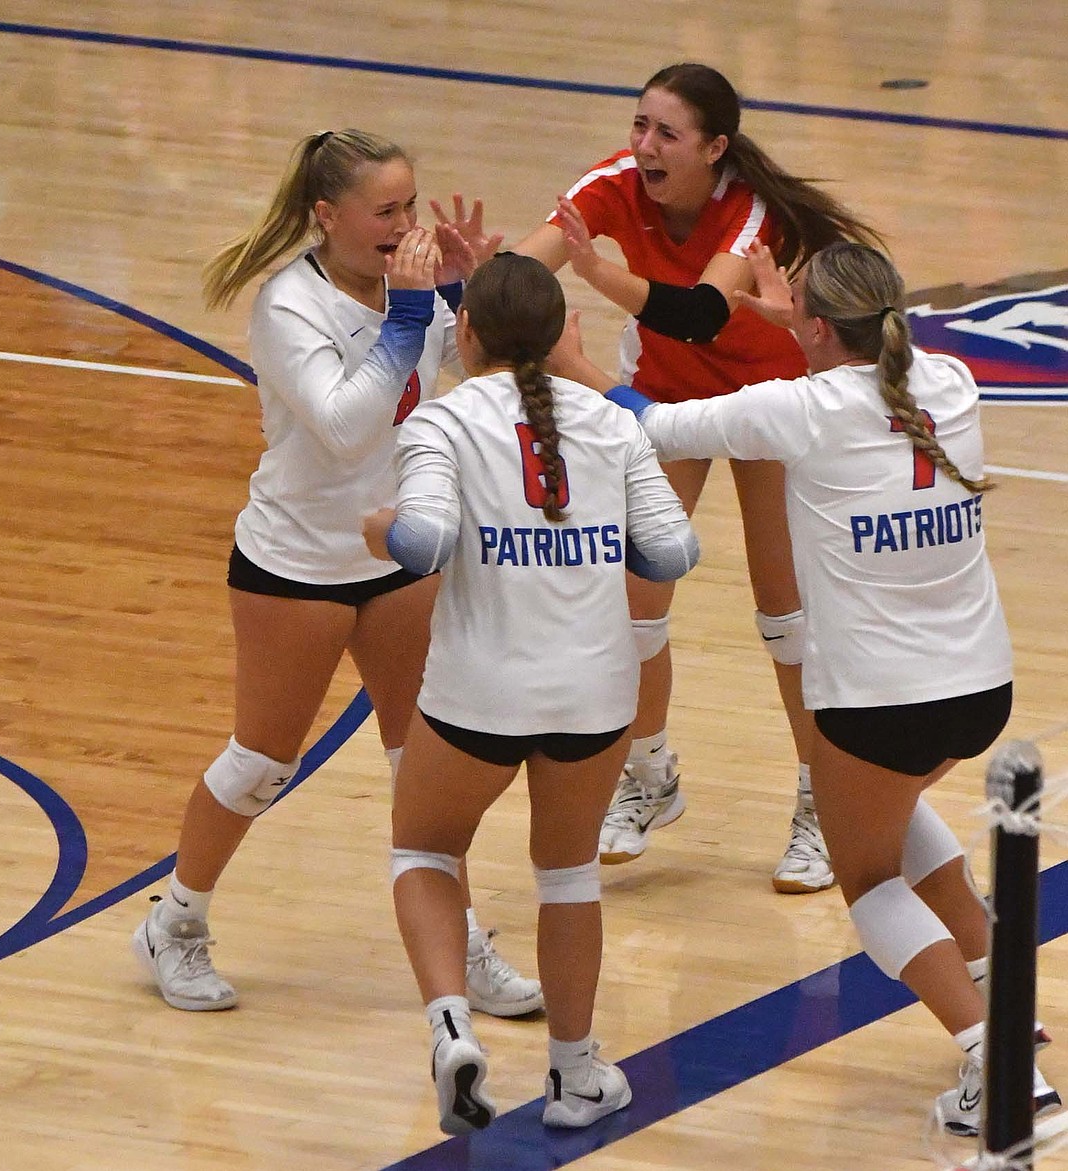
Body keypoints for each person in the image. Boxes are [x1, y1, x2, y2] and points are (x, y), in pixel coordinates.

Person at [555, 237, 1061, 1133]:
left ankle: (1002, 1063)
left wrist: (573, 364)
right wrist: (812, 329)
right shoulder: (946, 380)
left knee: (867, 880)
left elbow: (648, 422)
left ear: (817, 328)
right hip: (981, 686)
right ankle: (1002, 991)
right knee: (891, 812)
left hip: (880, 699)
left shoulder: (795, 409)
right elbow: (862, 372)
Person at [130, 129, 542, 1020]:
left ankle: (460, 943)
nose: (405, 223)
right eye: (386, 209)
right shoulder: (290, 306)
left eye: (410, 204)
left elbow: (479, 382)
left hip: (395, 554)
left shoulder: (416, 290)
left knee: (425, 764)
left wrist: (470, 294)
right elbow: (346, 427)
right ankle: (175, 921)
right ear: (329, 215)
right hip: (295, 564)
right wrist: (412, 309)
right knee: (263, 762)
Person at [510, 62, 883, 892]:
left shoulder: (746, 211)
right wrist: (477, 281)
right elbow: (531, 269)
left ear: (715, 148)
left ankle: (820, 801)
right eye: (639, 124)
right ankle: (648, 775)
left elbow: (701, 312)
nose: (643, 144)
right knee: (631, 603)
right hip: (670, 397)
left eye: (665, 133)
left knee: (784, 614)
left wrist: (597, 276)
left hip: (770, 402)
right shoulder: (614, 180)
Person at [361, 252, 699, 1134]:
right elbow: (673, 554)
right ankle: (575, 1076)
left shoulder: (443, 420)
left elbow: (425, 541)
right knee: (568, 874)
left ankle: (449, 1029)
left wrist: (380, 529)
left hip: (478, 690)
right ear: (559, 338)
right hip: (595, 692)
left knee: (426, 854)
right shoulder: (611, 423)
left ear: (464, 333)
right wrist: (591, 545)